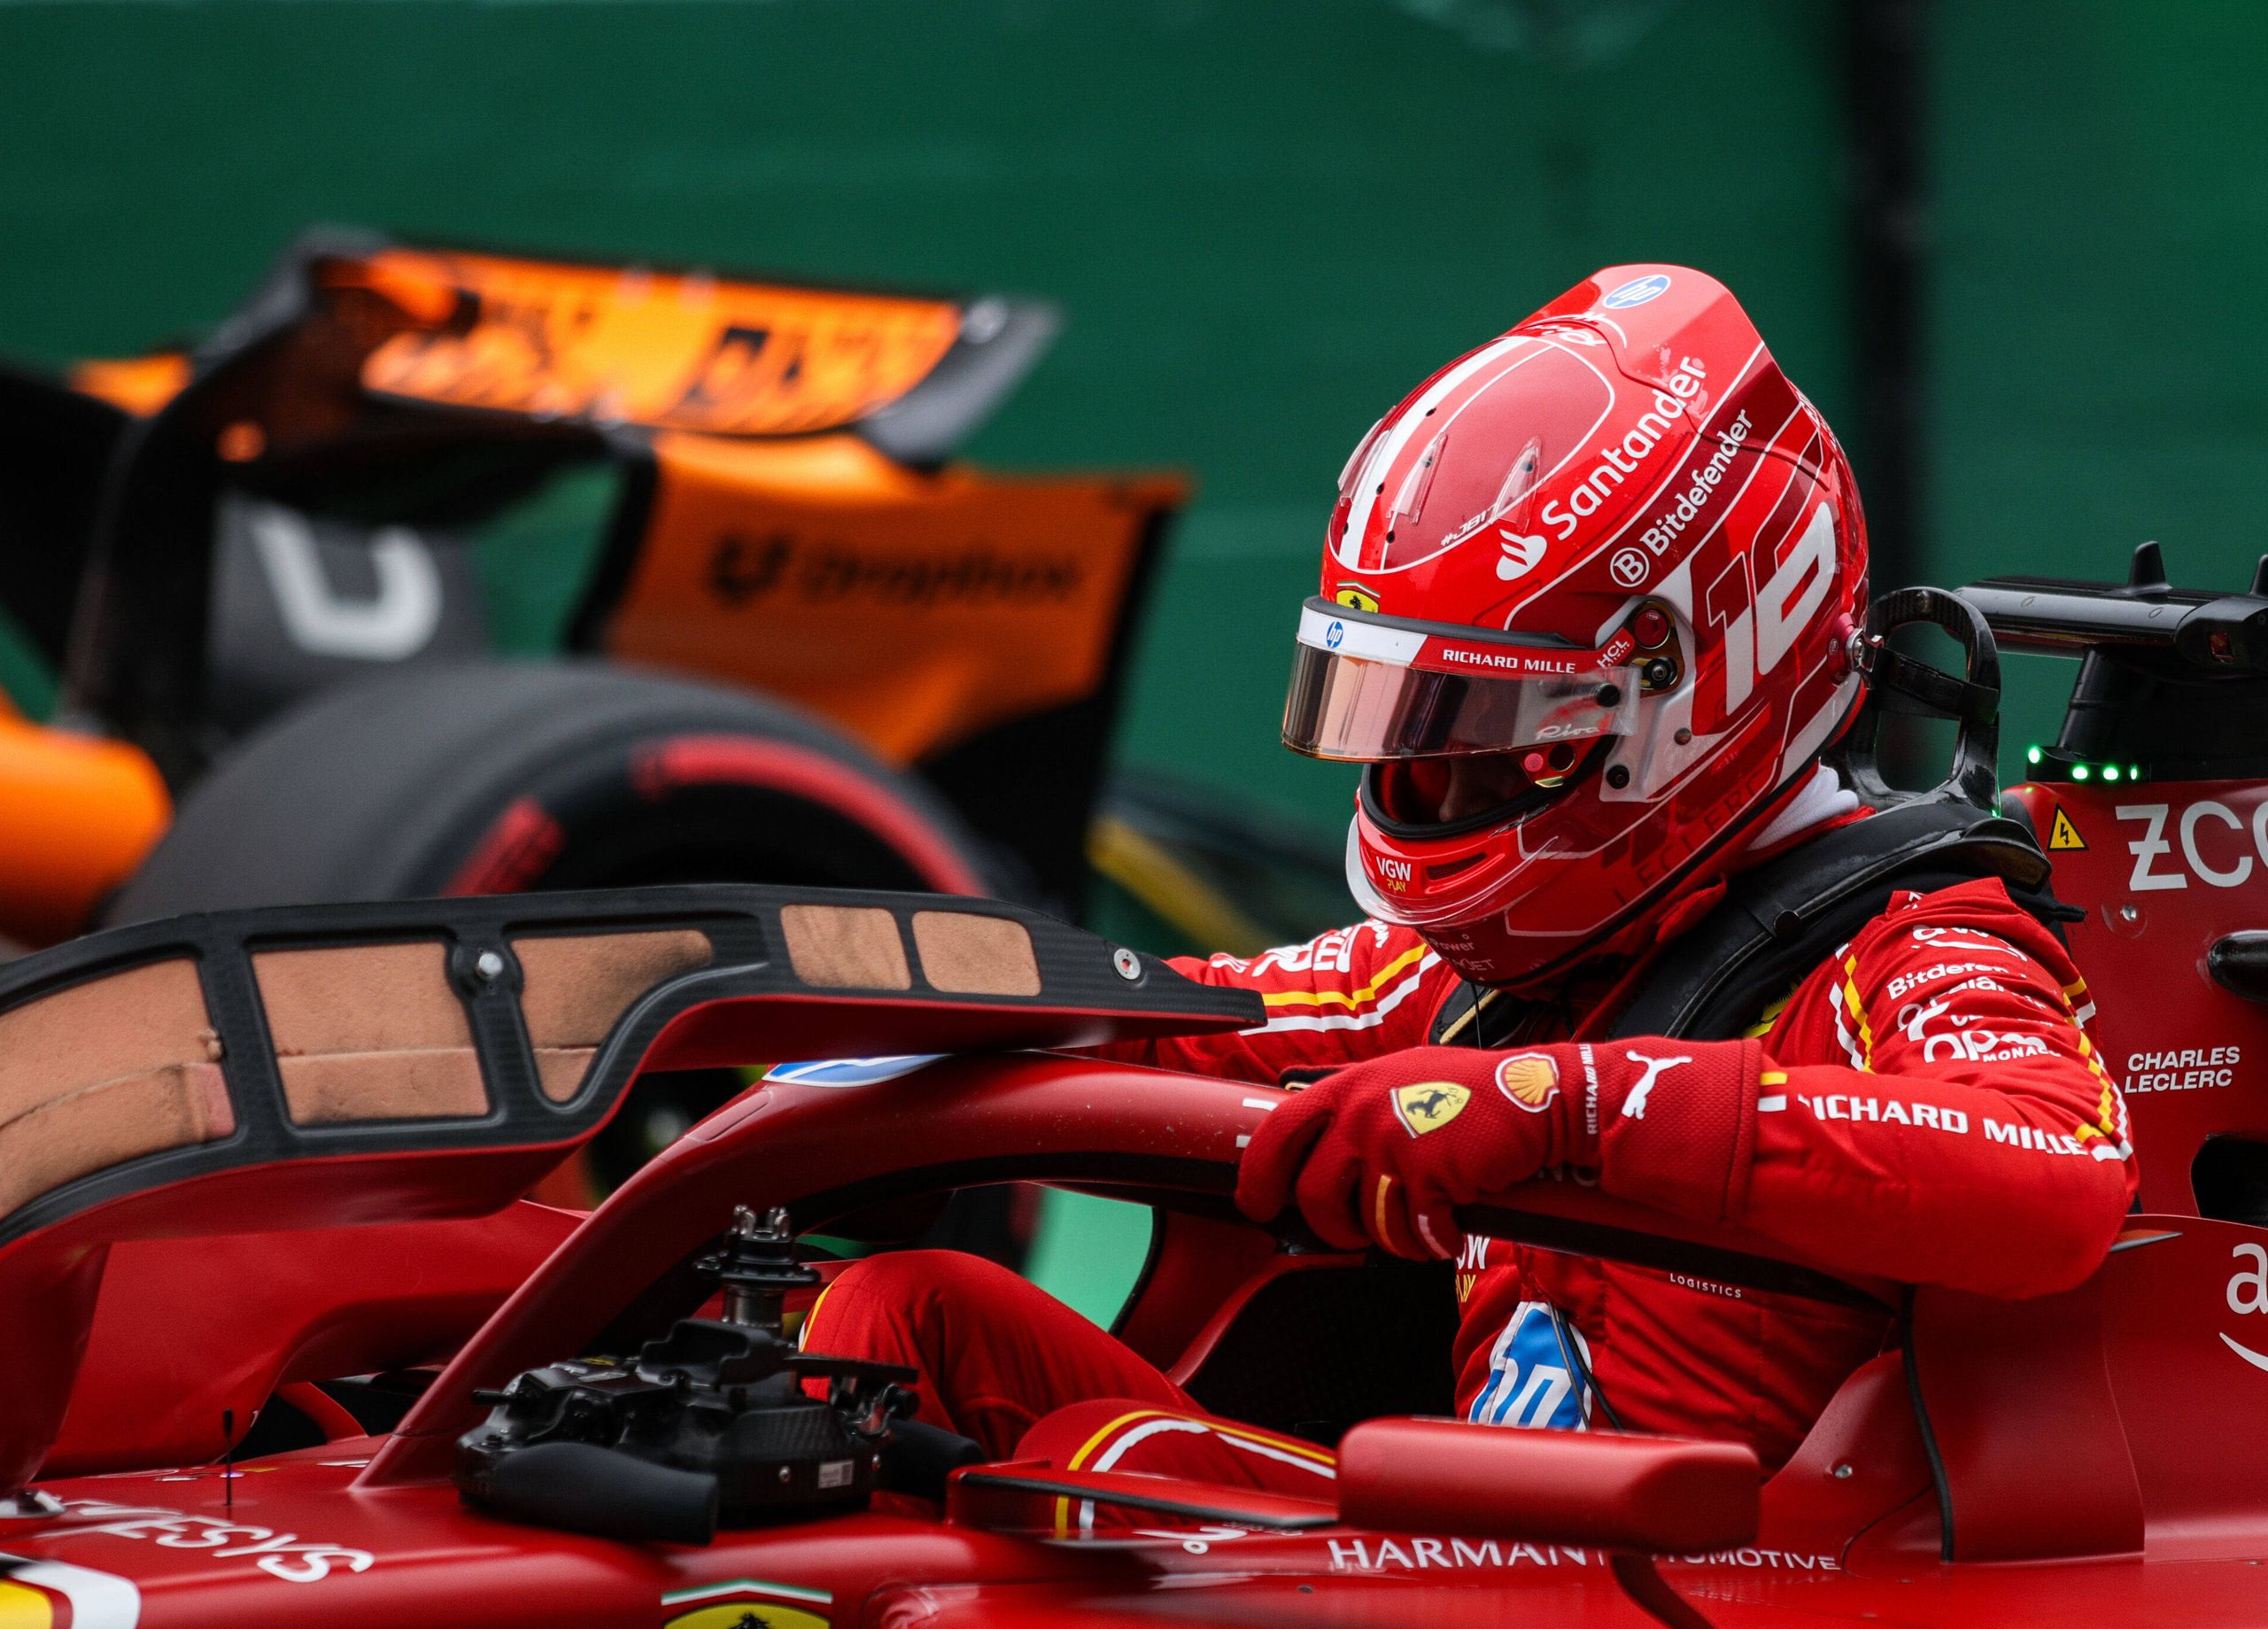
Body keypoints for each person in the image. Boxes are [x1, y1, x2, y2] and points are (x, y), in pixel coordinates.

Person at [806, 264, 2132, 1492]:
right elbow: (1180, 1017)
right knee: (899, 1319)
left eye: (1483, 742)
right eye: (1406, 732)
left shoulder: (1922, 944)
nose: (1428, 792)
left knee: (1098, 1469)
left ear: (1688, 693)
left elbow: (2058, 1172)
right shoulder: (1466, 978)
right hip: (1457, 1569)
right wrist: (871, 1011)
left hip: (1697, 1613)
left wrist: (1565, 1104)